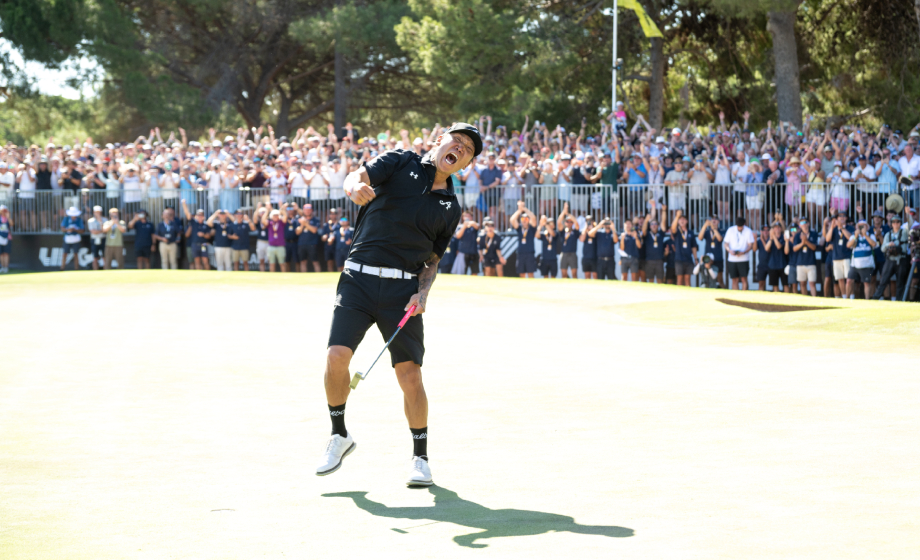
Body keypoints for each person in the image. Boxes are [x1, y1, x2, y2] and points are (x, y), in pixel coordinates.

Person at [316, 122, 475, 489]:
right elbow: (357, 176)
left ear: (466, 164)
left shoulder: (450, 206)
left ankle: (420, 459)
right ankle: (339, 435)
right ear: (440, 140)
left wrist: (424, 293)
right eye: (457, 140)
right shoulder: (401, 161)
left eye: (468, 150)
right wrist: (353, 187)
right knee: (336, 356)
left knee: (410, 375)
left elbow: (432, 259)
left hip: (403, 292)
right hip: (358, 278)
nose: (460, 148)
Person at [872, 214, 910, 300]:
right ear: (891, 223)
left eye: (898, 222)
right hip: (890, 259)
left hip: (901, 259)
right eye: (894, 222)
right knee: (883, 280)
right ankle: (875, 298)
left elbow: (910, 225)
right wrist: (888, 244)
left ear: (900, 223)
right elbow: (882, 249)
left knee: (900, 282)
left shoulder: (904, 232)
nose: (896, 223)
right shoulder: (888, 234)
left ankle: (899, 300)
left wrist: (907, 214)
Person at [845, 219, 877, 299]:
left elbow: (874, 244)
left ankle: (867, 300)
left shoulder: (871, 235)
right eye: (860, 226)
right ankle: (846, 299)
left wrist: (865, 235)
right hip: (855, 264)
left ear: (867, 227)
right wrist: (856, 236)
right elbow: (848, 245)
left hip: (867, 264)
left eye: (863, 226)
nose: (861, 228)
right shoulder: (854, 236)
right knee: (849, 281)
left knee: (866, 283)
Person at [825, 212, 853, 297]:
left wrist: (842, 228)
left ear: (846, 218)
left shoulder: (850, 227)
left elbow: (851, 238)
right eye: (839, 216)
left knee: (849, 279)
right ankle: (844, 296)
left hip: (847, 257)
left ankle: (851, 296)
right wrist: (831, 227)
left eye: (843, 216)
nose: (842, 217)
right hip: (836, 257)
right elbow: (827, 239)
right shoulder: (834, 229)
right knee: (840, 279)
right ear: (837, 219)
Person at [722, 216, 755, 291]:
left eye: (741, 226)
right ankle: (735, 295)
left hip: (744, 259)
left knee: (744, 279)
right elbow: (726, 243)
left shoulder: (748, 231)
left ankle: (744, 295)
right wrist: (729, 250)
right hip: (732, 259)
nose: (739, 228)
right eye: (738, 226)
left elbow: (750, 245)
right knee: (734, 279)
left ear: (744, 224)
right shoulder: (730, 230)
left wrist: (744, 252)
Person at [181, 200, 212, 270]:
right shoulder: (193, 223)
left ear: (204, 217)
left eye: (201, 215)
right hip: (195, 244)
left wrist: (203, 235)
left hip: (203, 244)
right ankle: (199, 275)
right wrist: (184, 204)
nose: (200, 216)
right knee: (197, 261)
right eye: (198, 215)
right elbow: (187, 214)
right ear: (196, 216)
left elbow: (209, 236)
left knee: (205, 261)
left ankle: (208, 274)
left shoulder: (206, 224)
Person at [791, 218, 819, 296]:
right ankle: (805, 300)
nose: (803, 224)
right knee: (802, 283)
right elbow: (794, 248)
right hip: (800, 263)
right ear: (799, 225)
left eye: (805, 222)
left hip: (811, 263)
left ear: (808, 223)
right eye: (801, 222)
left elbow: (814, 247)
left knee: (812, 283)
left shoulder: (814, 234)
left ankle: (814, 300)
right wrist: (803, 243)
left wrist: (806, 241)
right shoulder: (797, 235)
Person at [509, 201, 537, 278]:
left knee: (530, 273)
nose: (524, 220)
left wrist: (524, 209)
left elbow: (533, 218)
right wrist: (519, 210)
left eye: (526, 219)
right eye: (522, 218)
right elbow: (512, 220)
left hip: (530, 253)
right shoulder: (519, 229)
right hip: (521, 253)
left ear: (529, 220)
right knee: (521, 273)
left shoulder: (531, 229)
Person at [669, 210, 697, 286]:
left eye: (684, 219)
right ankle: (679, 294)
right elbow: (673, 228)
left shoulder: (691, 232)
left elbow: (694, 247)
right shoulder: (677, 231)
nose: (682, 220)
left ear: (687, 221)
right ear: (678, 221)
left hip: (689, 260)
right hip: (679, 260)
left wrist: (695, 258)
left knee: (687, 280)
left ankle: (688, 294)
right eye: (680, 219)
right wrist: (677, 216)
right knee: (680, 280)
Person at [698, 215, 724, 288]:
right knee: (708, 278)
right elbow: (700, 238)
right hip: (708, 259)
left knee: (719, 279)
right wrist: (705, 225)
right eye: (712, 219)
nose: (714, 220)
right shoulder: (707, 232)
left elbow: (720, 239)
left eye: (716, 219)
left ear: (718, 222)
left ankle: (723, 291)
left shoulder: (721, 230)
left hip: (718, 258)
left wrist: (713, 228)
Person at [296, 203, 322, 272]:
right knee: (303, 262)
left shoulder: (316, 219)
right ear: (303, 211)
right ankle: (303, 277)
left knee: (315, 262)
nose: (307, 211)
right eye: (306, 210)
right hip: (301, 244)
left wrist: (306, 224)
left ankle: (319, 277)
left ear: (312, 210)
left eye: (309, 210)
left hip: (312, 244)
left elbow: (314, 230)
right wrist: (302, 225)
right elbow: (297, 232)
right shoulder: (299, 220)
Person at [641, 214, 666, 283]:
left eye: (655, 224)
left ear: (658, 226)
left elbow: (663, 222)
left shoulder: (661, 233)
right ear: (650, 226)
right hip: (649, 261)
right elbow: (643, 230)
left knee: (660, 281)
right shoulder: (647, 234)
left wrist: (664, 211)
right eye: (652, 224)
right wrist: (646, 220)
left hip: (659, 260)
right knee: (650, 281)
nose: (654, 225)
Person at [556, 203, 579, 278]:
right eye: (567, 221)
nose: (569, 223)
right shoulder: (563, 231)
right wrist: (564, 212)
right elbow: (559, 222)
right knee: (564, 274)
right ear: (565, 223)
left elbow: (576, 223)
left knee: (574, 274)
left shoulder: (575, 232)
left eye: (570, 222)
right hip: (564, 254)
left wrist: (568, 214)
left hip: (572, 254)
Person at [454, 211, 480, 275]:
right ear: (463, 218)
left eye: (469, 216)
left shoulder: (474, 225)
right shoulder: (460, 227)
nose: (467, 218)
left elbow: (477, 226)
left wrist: (470, 223)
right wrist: (464, 226)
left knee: (474, 272)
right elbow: (458, 236)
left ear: (472, 217)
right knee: (462, 272)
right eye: (465, 216)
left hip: (474, 253)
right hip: (463, 253)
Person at [60, 207, 85, 271]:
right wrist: (68, 229)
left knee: (76, 254)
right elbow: (62, 229)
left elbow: (82, 230)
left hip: (76, 238)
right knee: (65, 253)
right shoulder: (66, 219)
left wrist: (75, 230)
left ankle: (76, 268)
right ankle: (62, 268)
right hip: (67, 239)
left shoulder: (79, 220)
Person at [764, 220, 786, 292]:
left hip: (782, 264)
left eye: (779, 227)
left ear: (781, 228)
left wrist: (773, 236)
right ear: (773, 229)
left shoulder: (783, 237)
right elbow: (766, 248)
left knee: (785, 284)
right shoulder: (770, 238)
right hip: (772, 265)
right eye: (775, 227)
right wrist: (771, 238)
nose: (777, 229)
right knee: (775, 285)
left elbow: (779, 246)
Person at [262, 208, 287, 272]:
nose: (276, 216)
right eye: (274, 215)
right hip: (271, 246)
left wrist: (282, 210)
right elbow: (263, 220)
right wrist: (267, 211)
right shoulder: (270, 223)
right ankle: (272, 277)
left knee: (282, 263)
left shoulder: (281, 222)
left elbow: (285, 217)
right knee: (271, 264)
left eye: (277, 215)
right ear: (271, 216)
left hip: (280, 246)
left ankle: (284, 277)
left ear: (279, 216)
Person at [0, 204, 11, 273]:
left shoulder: (8, 218)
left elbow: (12, 224)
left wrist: (8, 217)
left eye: (5, 211)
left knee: (6, 253)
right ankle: (2, 267)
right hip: (0, 238)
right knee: (1, 254)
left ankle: (6, 267)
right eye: (2, 211)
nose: (3, 212)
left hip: (7, 238)